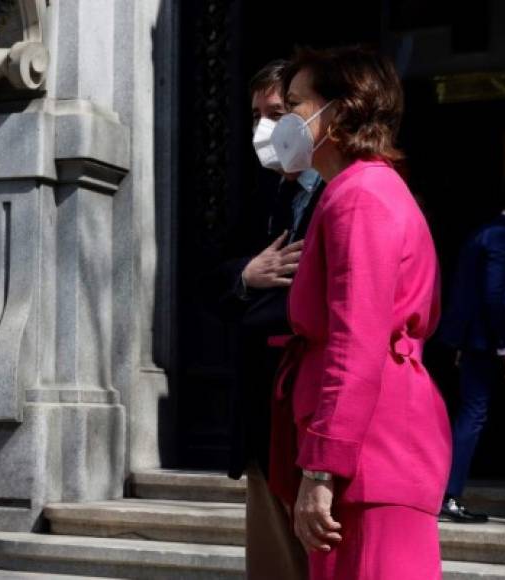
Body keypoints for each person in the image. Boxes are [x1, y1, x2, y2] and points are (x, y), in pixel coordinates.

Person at [267, 46, 451, 579]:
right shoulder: (358, 189)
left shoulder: (360, 196)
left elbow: (356, 341)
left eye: (296, 105)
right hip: (375, 445)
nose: (282, 121)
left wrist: (321, 468)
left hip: (370, 451)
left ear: (340, 111)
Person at [221, 59, 324, 580]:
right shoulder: (262, 190)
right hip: (262, 415)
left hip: (309, 413)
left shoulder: (342, 191)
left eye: (279, 112)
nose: (266, 128)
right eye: (257, 114)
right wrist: (247, 273)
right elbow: (210, 274)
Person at [437, 176, 505, 523]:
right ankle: (450, 494)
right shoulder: (502, 237)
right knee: (473, 415)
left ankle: (448, 492)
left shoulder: (485, 233)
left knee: (471, 414)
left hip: (474, 340)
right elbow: (493, 296)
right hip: (488, 343)